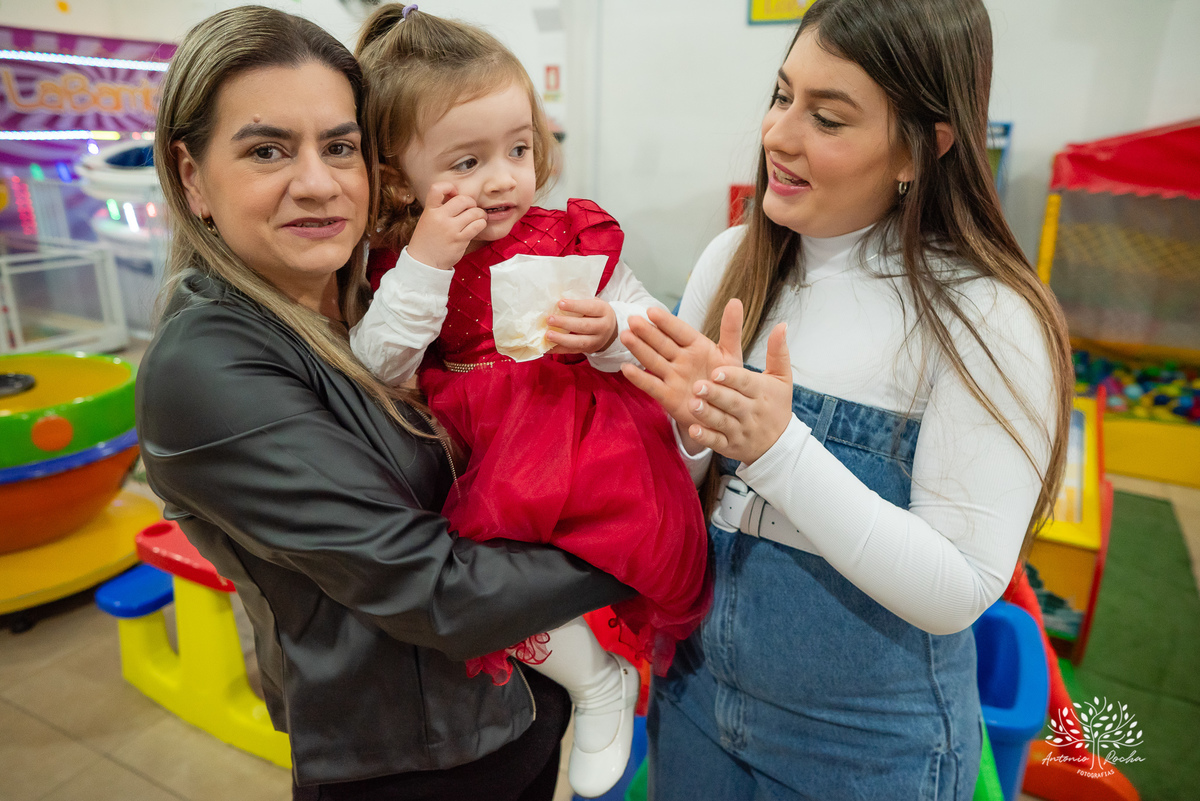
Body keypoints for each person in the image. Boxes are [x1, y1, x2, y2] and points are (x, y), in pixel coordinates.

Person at [135, 7, 637, 801]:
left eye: (339, 147)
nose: (317, 181)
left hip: (520, 709)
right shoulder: (207, 365)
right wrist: (644, 526)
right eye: (267, 149)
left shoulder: (378, 289)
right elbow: (432, 588)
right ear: (192, 176)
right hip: (411, 764)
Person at [619, 0, 1074, 799]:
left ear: (922, 148)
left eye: (828, 119)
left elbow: (959, 587)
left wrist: (779, 449)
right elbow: (684, 503)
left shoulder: (988, 316)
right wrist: (690, 435)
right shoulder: (734, 259)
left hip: (869, 750)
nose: (778, 136)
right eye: (782, 95)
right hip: (693, 699)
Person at [347, 6, 709, 796]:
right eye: (466, 161)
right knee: (489, 590)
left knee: (616, 557)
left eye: (517, 148)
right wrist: (428, 260)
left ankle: (615, 675)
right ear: (395, 175)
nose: (503, 176)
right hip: (495, 458)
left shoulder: (567, 233)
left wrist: (610, 327)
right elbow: (378, 361)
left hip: (589, 437)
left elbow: (652, 322)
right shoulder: (398, 263)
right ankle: (594, 680)